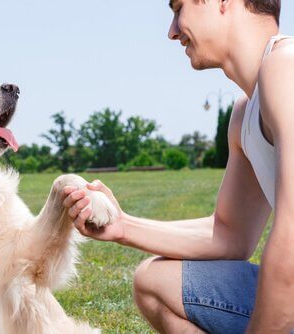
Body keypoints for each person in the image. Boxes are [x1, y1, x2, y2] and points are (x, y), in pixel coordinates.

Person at [62, 0, 294, 333]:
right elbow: (230, 235)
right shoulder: (245, 113)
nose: (172, 31)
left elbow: (291, 243)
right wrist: (123, 226)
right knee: (155, 281)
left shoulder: (285, 67)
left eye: (178, 7)